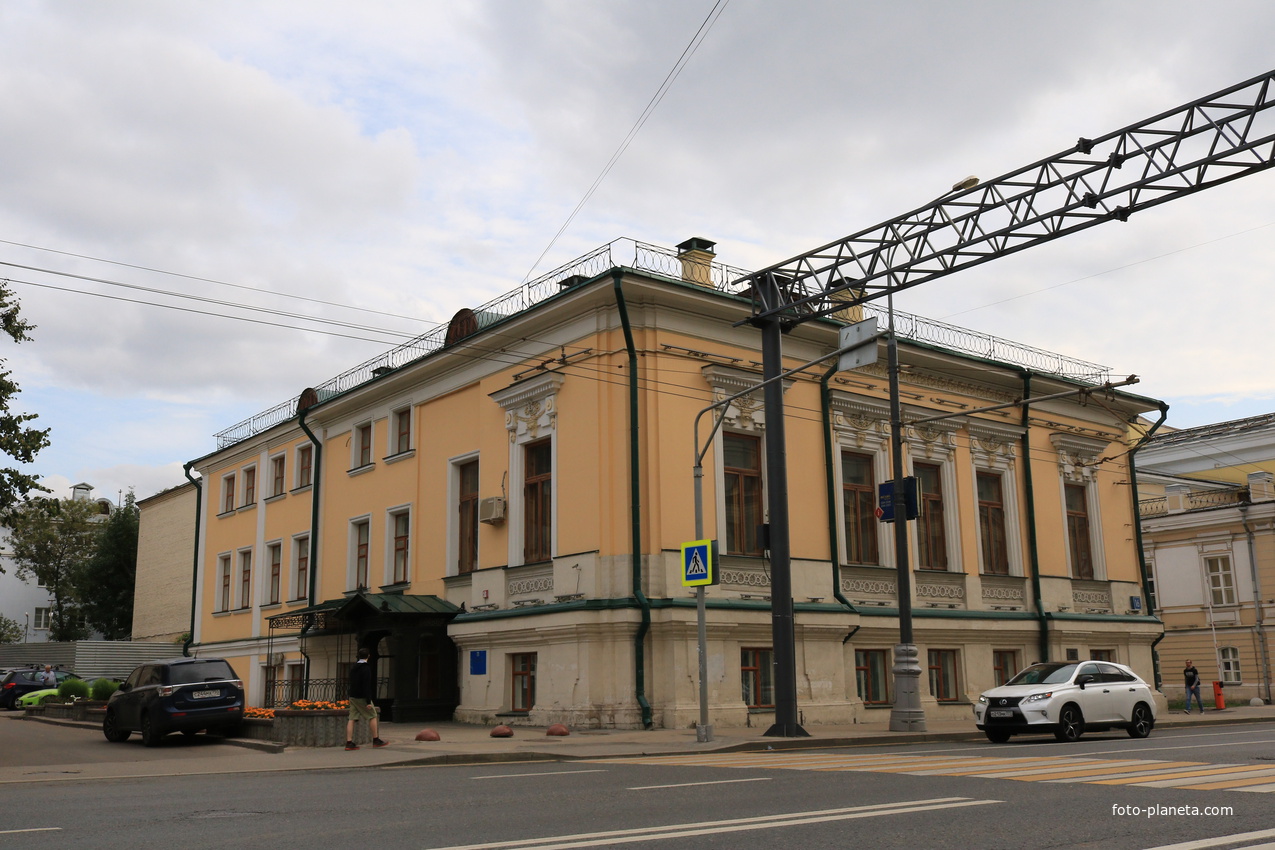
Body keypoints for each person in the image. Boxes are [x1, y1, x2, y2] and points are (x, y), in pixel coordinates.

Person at [345, 647, 387, 750]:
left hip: (353, 696)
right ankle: (376, 740)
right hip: (362, 697)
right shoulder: (366, 668)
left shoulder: (354, 667)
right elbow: (366, 685)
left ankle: (349, 742)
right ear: (368, 656)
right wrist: (368, 701)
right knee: (373, 715)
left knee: (352, 718)